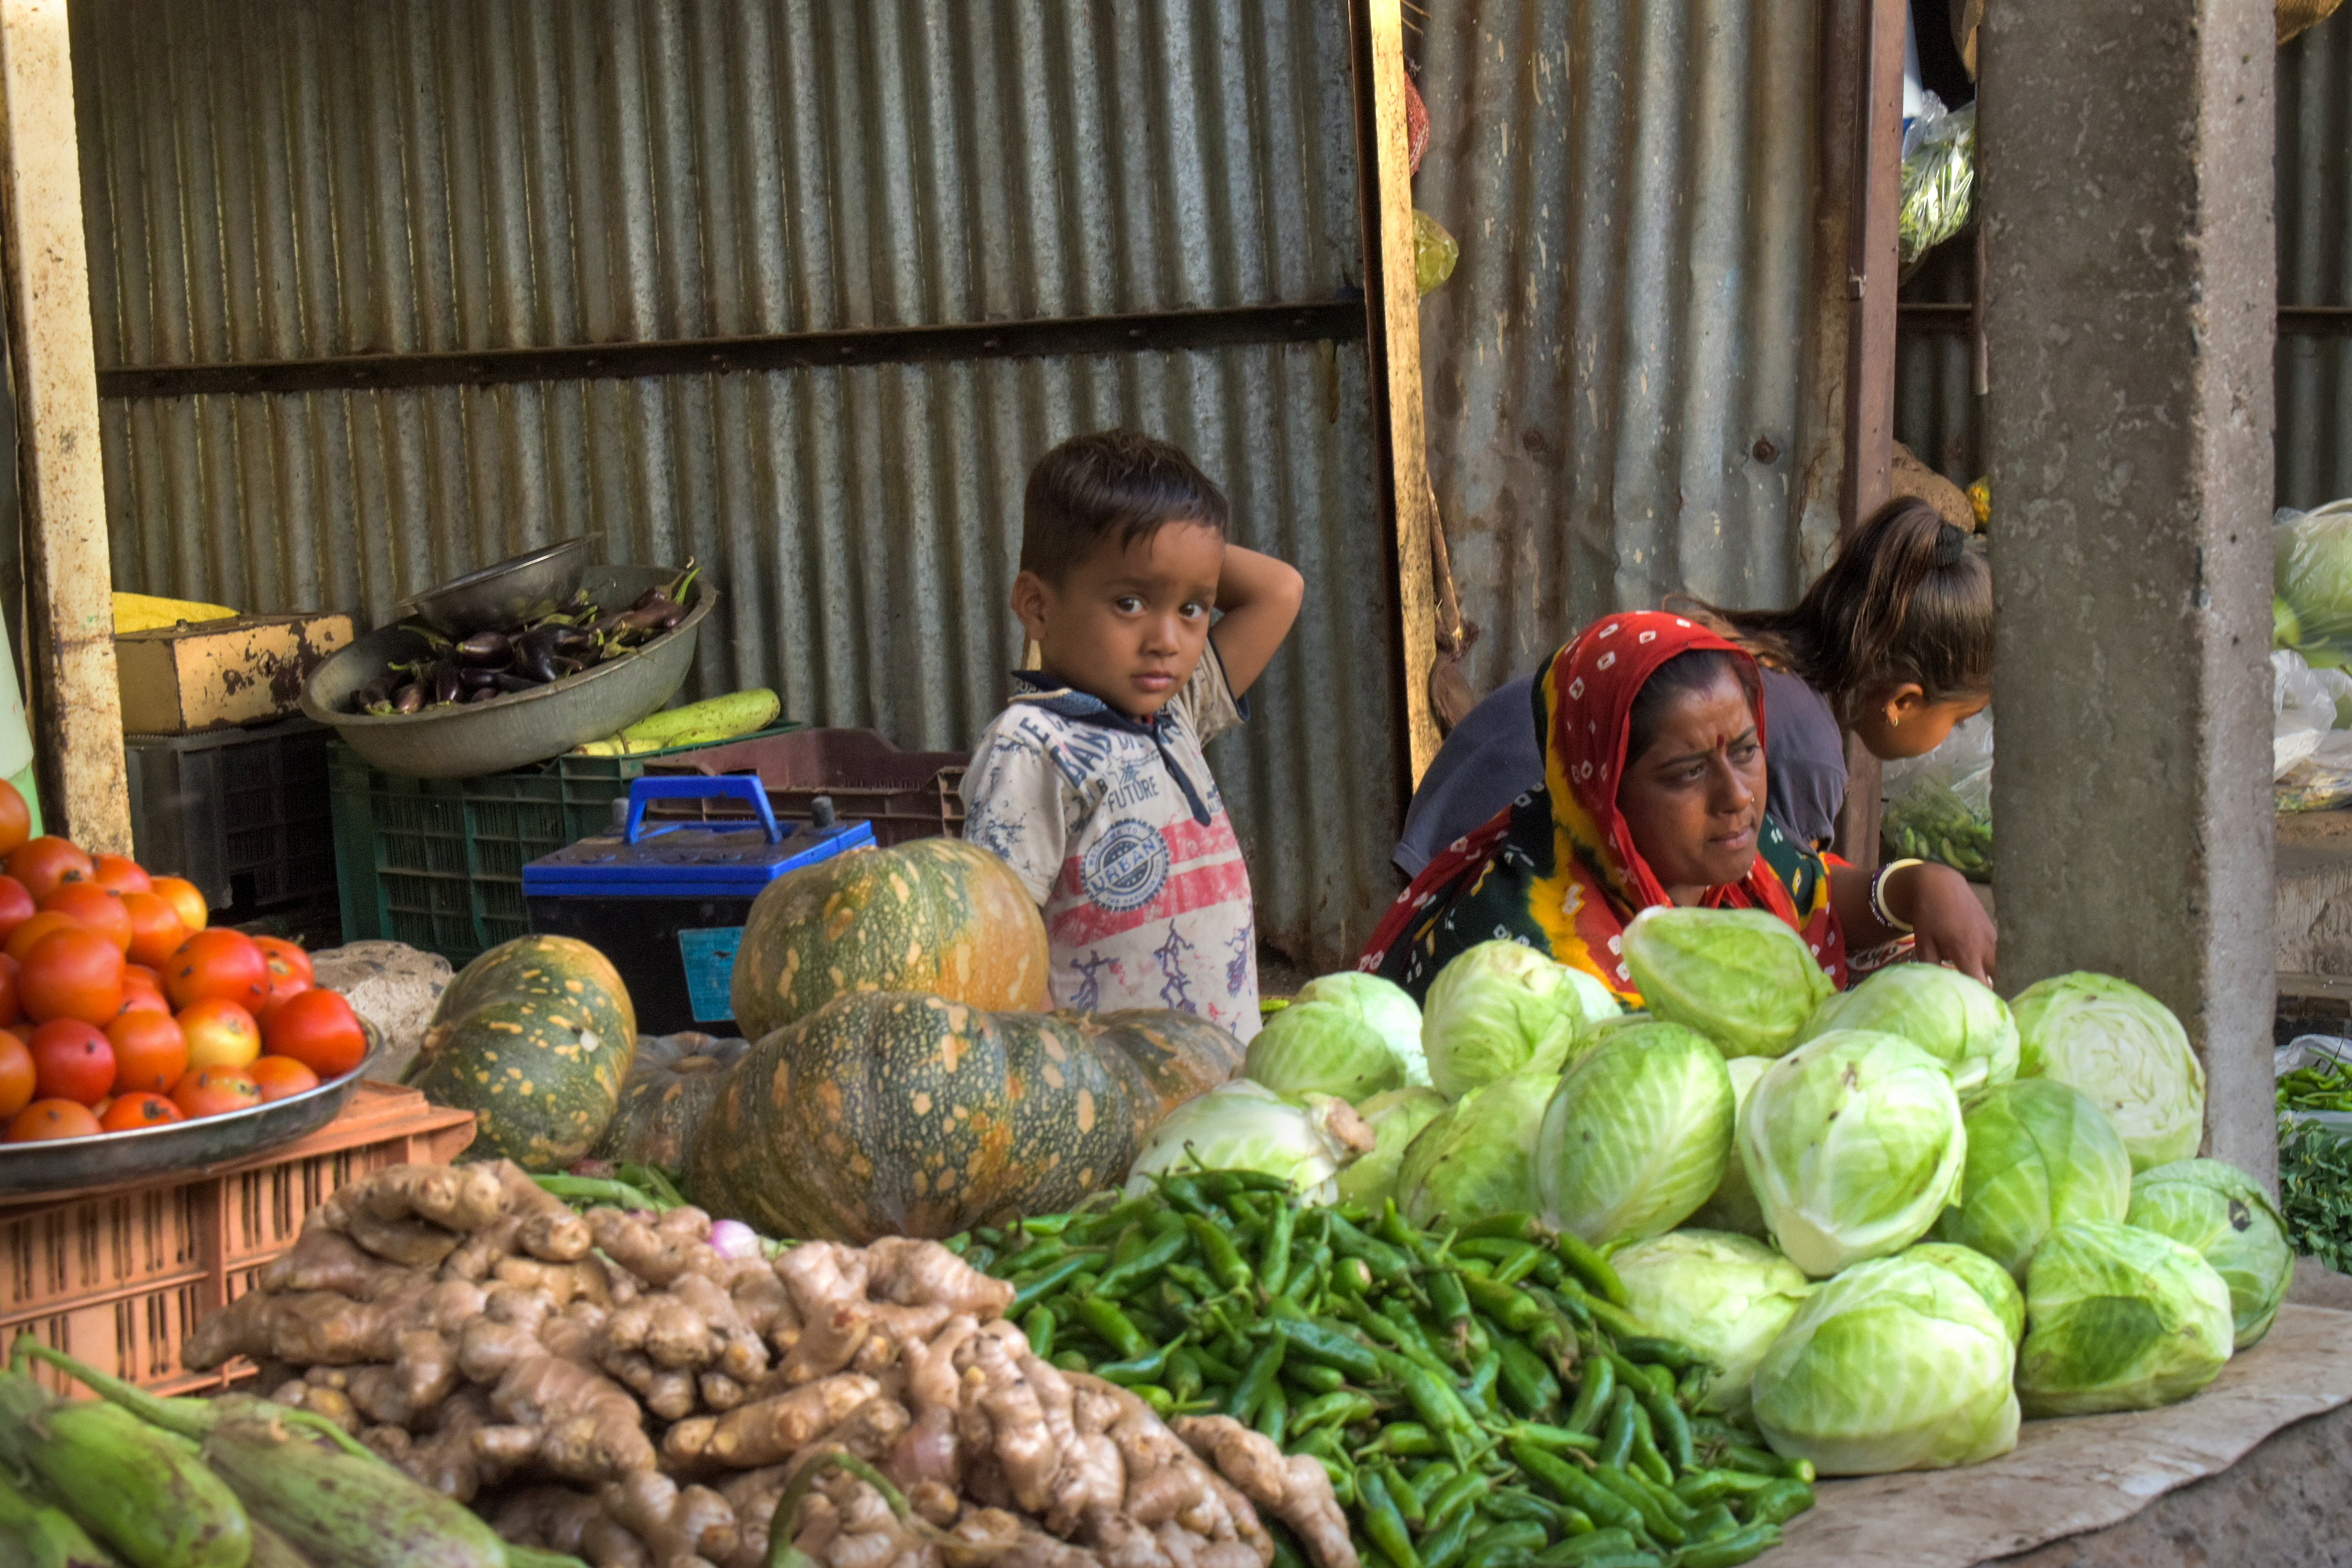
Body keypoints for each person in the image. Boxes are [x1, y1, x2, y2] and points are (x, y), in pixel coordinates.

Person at [1359, 611, 1996, 1001]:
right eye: (1688, 771)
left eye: (1746, 751)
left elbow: (1819, 894)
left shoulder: (1735, 861)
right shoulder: (1522, 960)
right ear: (1603, 794)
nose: (1737, 795)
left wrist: (1920, 887)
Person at [1392, 497, 1992, 869]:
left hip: (1454, 804)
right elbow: (1772, 917)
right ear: (1904, 701)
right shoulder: (1810, 754)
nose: (1951, 737)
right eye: (1959, 719)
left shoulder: (1761, 654)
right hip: (1497, 853)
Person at [961, 429, 1304, 1041]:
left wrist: (1183, 551)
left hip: (1222, 1093)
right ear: (1038, 608)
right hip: (1116, 1101)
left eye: (1191, 609)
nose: (1166, 641)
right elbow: (1001, 938)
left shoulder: (1176, 711)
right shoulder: (1032, 746)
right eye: (1129, 603)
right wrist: (1064, 1078)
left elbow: (1280, 591)